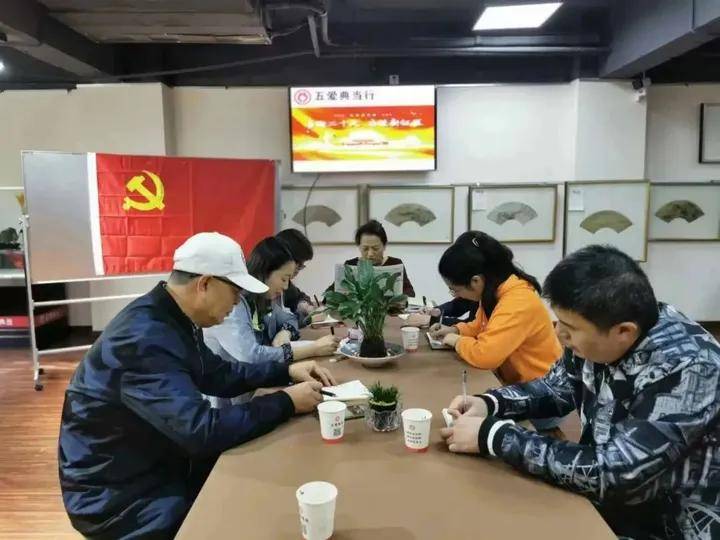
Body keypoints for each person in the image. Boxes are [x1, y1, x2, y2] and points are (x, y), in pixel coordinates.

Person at [58, 232, 336, 539]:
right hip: (118, 497)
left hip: (157, 460)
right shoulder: (144, 337)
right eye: (234, 292)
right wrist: (287, 402)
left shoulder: (172, 318)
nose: (237, 302)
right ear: (204, 284)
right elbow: (201, 431)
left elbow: (220, 374)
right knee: (246, 513)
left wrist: (286, 371)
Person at [441, 245, 720, 539]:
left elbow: (618, 472)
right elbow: (555, 389)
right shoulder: (601, 333)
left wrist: (495, 436)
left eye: (569, 327)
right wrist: (491, 403)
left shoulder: (689, 367)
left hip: (672, 527)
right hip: (609, 507)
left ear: (623, 331)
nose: (559, 333)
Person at [204, 237, 339, 405]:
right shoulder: (232, 304)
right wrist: (312, 349)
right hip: (228, 401)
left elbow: (288, 317)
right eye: (284, 279)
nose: (286, 287)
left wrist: (285, 331)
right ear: (265, 272)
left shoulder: (263, 298)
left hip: (255, 386)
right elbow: (251, 356)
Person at [429, 231, 561, 387]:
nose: (455, 295)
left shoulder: (517, 302)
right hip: (515, 382)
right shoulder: (493, 292)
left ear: (475, 281)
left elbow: (486, 356)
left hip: (544, 388)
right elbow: (480, 326)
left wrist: (457, 341)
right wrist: (455, 330)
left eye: (454, 290)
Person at [325, 219, 416, 297]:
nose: (370, 254)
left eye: (375, 248)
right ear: (359, 247)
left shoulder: (395, 263)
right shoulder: (350, 265)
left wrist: (401, 299)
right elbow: (329, 295)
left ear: (384, 246)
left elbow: (410, 293)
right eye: (365, 249)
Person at [276, 228, 317, 322]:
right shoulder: (260, 286)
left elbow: (298, 296)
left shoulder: (286, 283)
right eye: (298, 265)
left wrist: (303, 305)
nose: (297, 271)